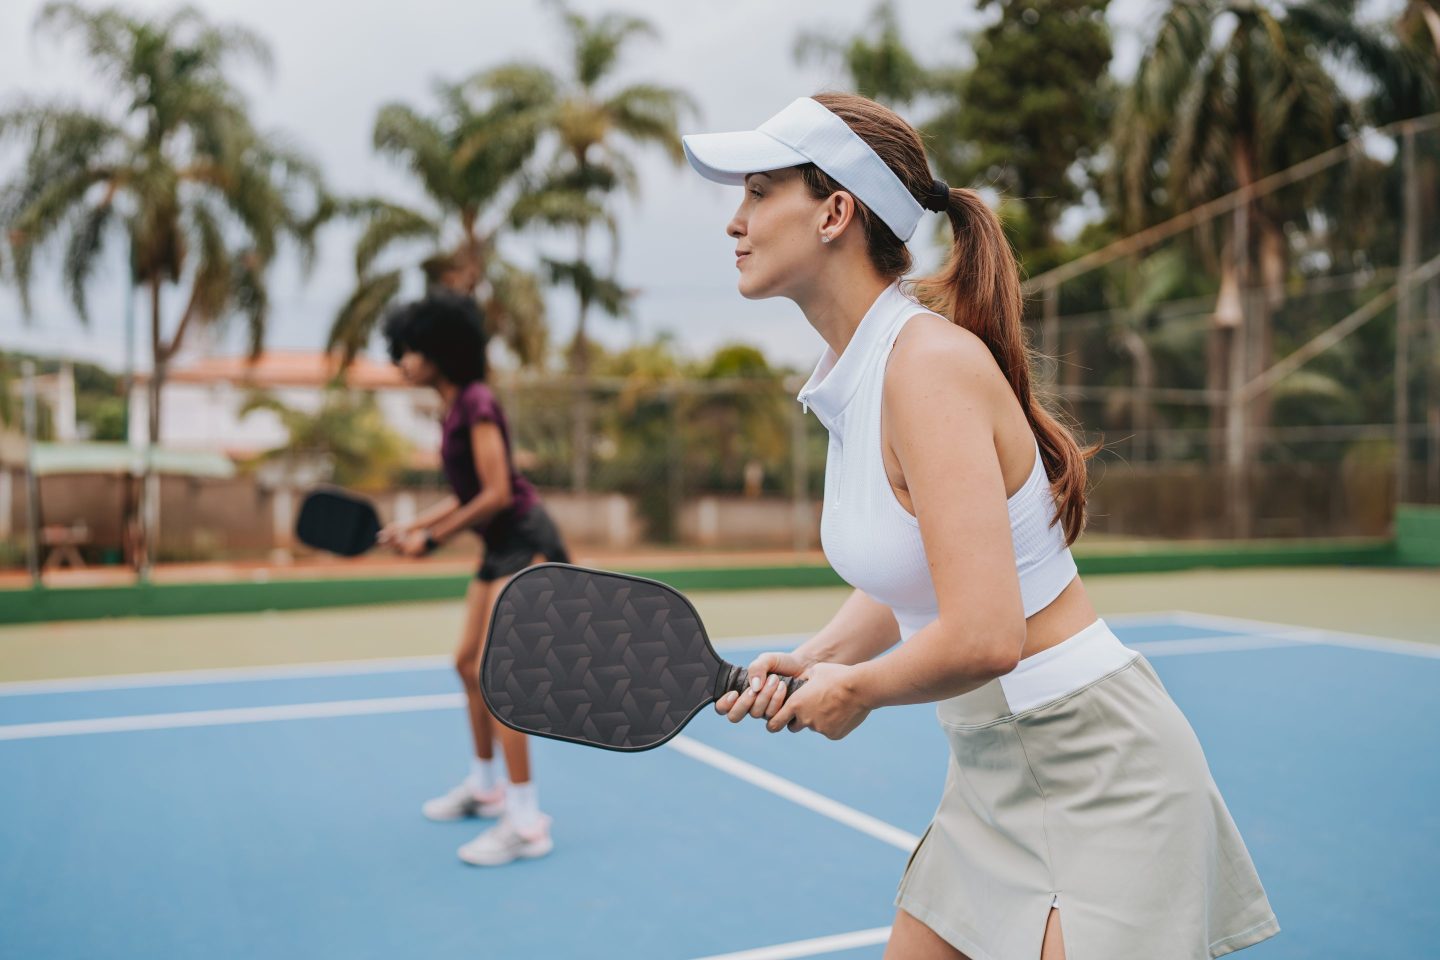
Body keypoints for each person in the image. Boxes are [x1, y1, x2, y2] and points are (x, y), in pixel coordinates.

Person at [686, 94, 1279, 959]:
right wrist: (819, 658)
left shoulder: (925, 367)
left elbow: (987, 633)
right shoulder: (855, 376)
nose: (735, 222)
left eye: (759, 192)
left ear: (835, 213)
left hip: (1098, 767)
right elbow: (918, 575)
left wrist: (857, 691)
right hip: (992, 768)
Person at [379, 291, 570, 867]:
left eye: (411, 349)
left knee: (501, 678)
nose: (402, 361)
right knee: (466, 664)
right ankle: (487, 787)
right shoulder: (457, 406)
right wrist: (415, 523)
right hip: (497, 547)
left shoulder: (478, 403)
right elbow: (469, 495)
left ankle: (526, 821)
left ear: (440, 348)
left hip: (525, 542)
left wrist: (433, 540)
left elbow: (497, 493)